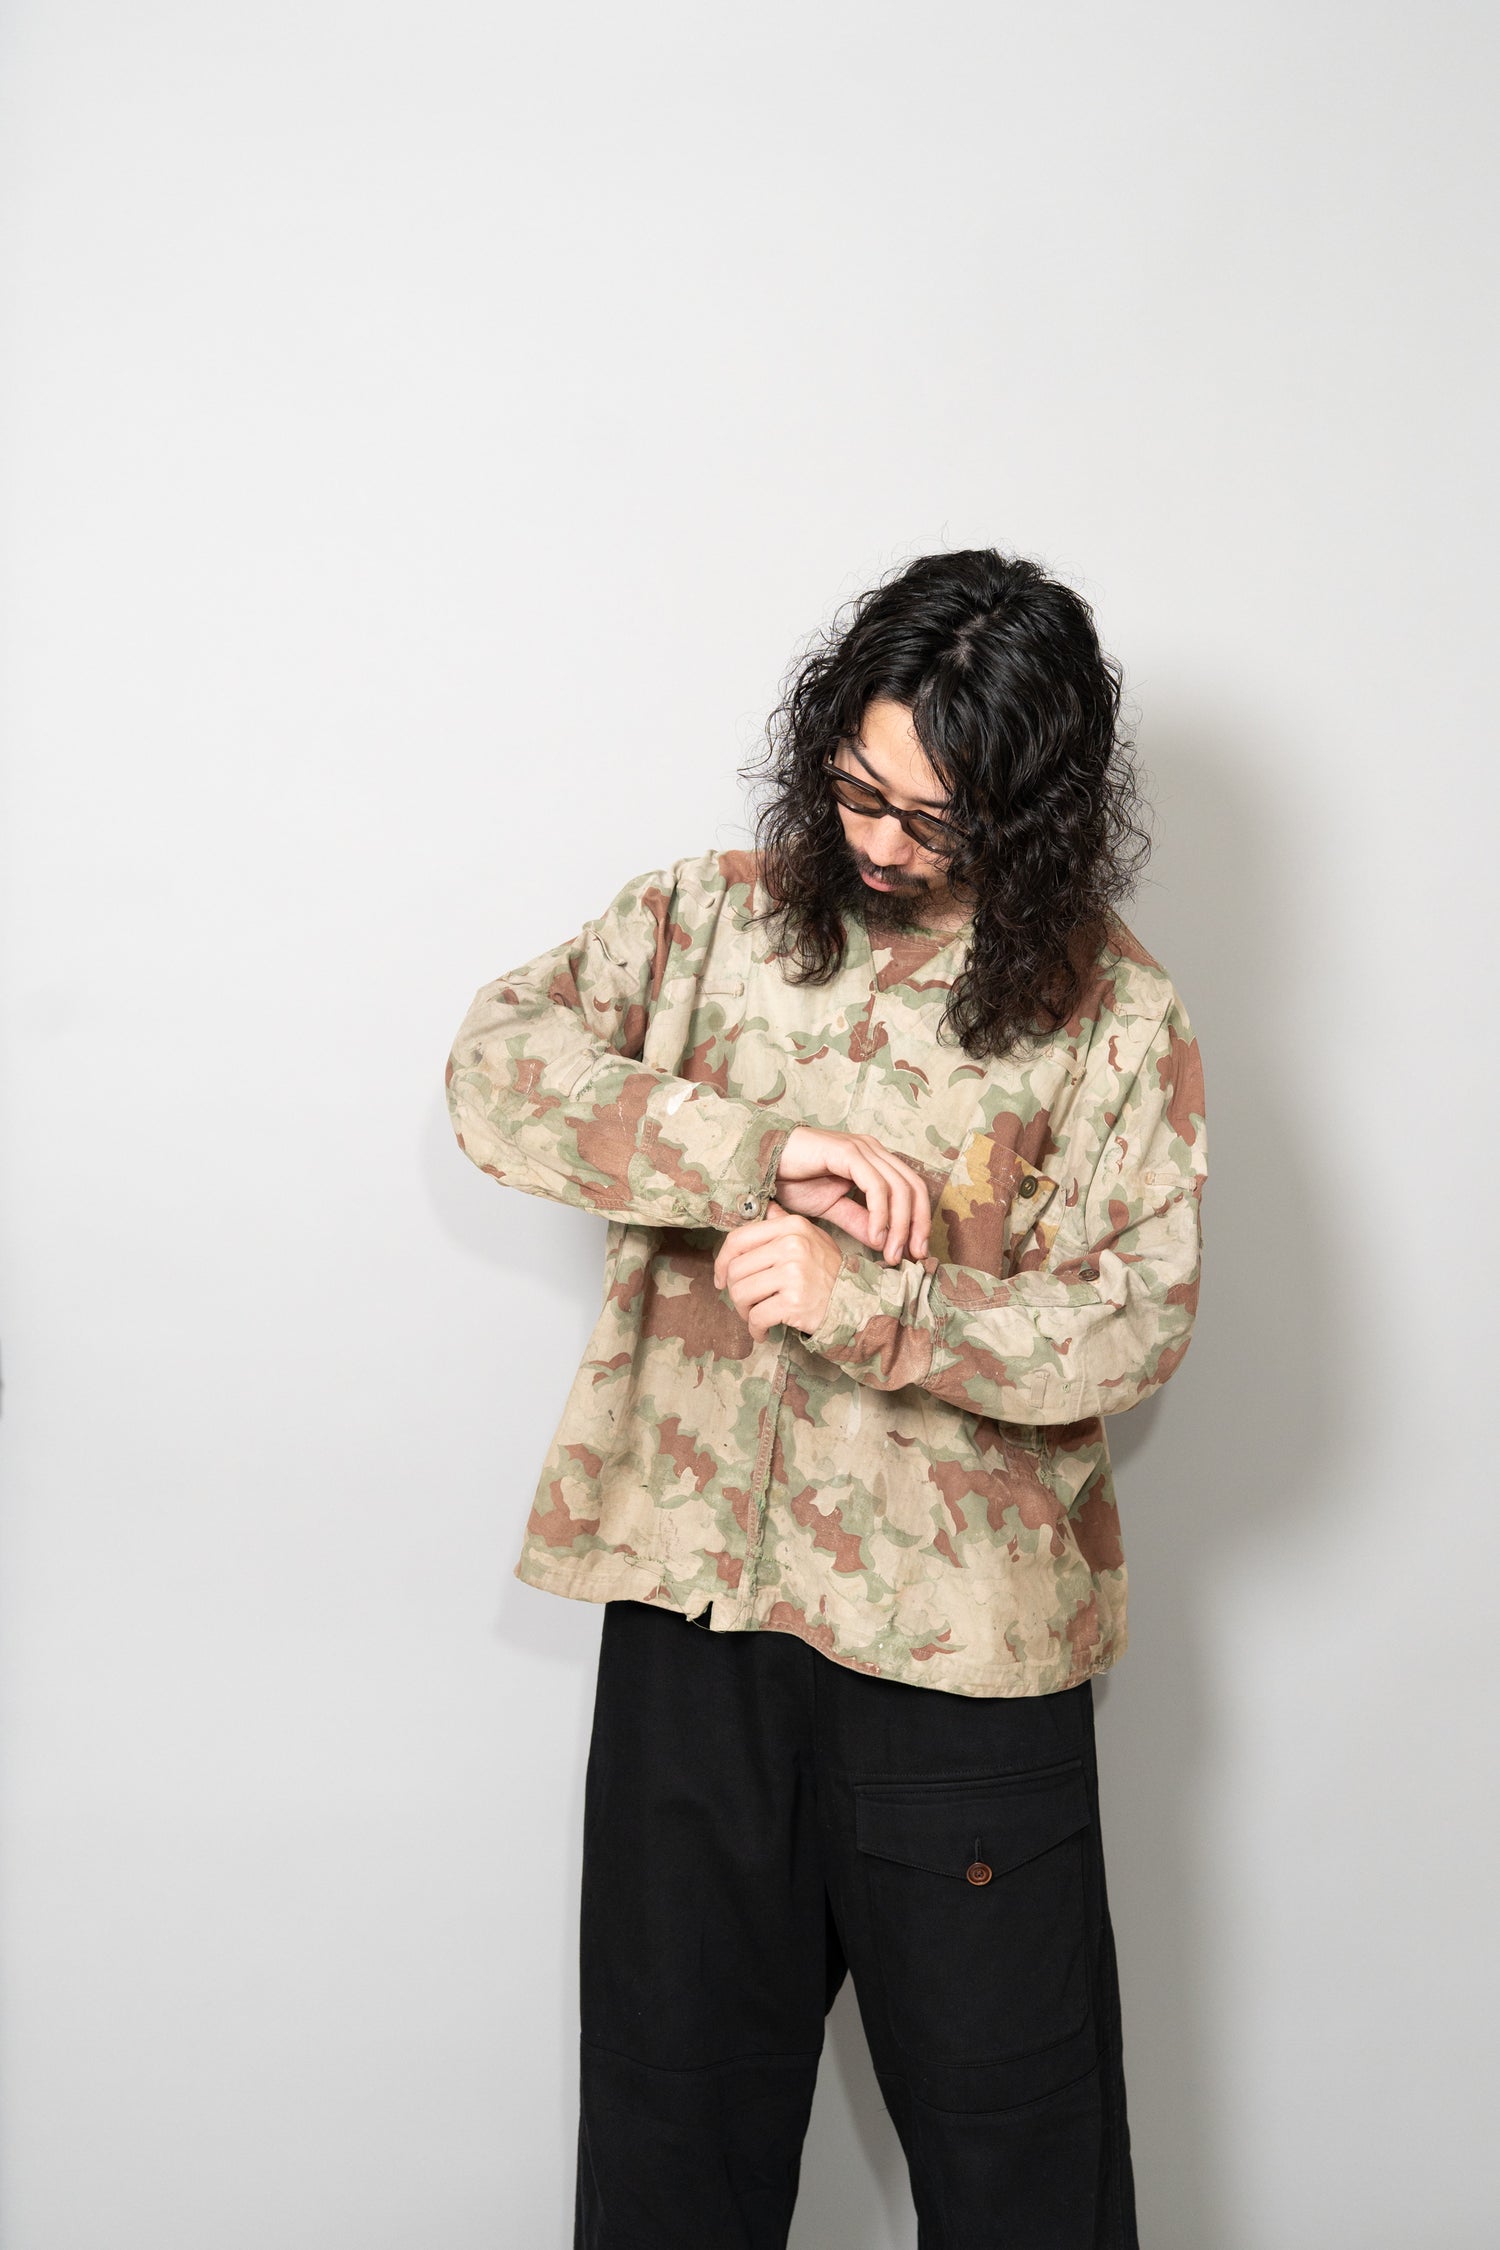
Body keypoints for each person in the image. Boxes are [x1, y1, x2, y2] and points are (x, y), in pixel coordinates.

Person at [445, 548, 1208, 2250]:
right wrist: (751, 1151)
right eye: (861, 790)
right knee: (665, 2175)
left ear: (1032, 815)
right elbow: (493, 1067)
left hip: (960, 1678)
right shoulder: (706, 922)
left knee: (1026, 2192)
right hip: (695, 1633)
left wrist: (881, 1307)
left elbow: (1136, 1320)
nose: (882, 845)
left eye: (936, 822)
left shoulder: (1113, 1014)